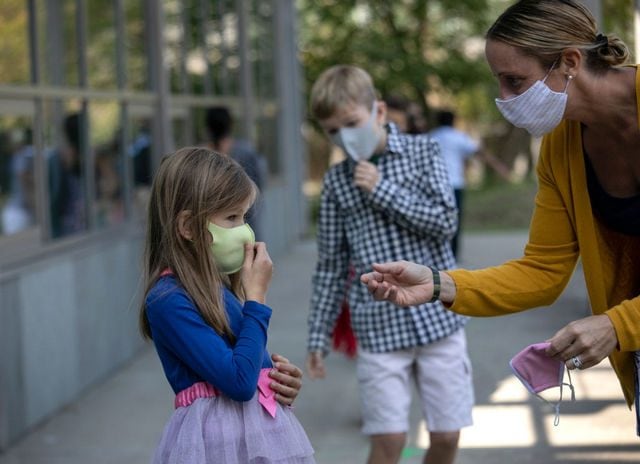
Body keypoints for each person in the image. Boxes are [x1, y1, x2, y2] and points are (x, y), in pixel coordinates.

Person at [361, 0, 640, 435]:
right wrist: (439, 283)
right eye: (500, 83)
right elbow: (543, 272)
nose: (504, 99)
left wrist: (618, 323)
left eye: (515, 81)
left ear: (569, 61)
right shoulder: (561, 148)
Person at [306, 65, 474, 464]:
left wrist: (382, 189)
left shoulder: (423, 152)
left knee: (447, 435)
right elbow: (330, 265)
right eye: (332, 130)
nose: (344, 137)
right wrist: (318, 336)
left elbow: (445, 223)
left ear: (378, 112)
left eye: (352, 123)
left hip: (438, 320)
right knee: (389, 441)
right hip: (378, 328)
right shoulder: (335, 183)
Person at [139, 147, 314, 463]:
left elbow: (249, 369)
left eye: (244, 216)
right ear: (189, 227)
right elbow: (238, 382)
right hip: (220, 448)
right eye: (231, 218)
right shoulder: (168, 300)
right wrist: (257, 301)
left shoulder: (219, 287)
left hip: (253, 438)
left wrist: (276, 379)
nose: (245, 231)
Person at [205, 106, 267, 240]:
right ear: (230, 125)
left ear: (208, 127)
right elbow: (258, 189)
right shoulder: (245, 152)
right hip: (248, 226)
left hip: (214, 234)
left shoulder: (203, 158)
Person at [429, 110, 480, 260]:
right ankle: (453, 254)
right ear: (453, 121)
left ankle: (437, 253)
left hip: (436, 184)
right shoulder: (459, 137)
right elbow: (476, 151)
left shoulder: (431, 136)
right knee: (455, 219)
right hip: (455, 184)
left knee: (436, 219)